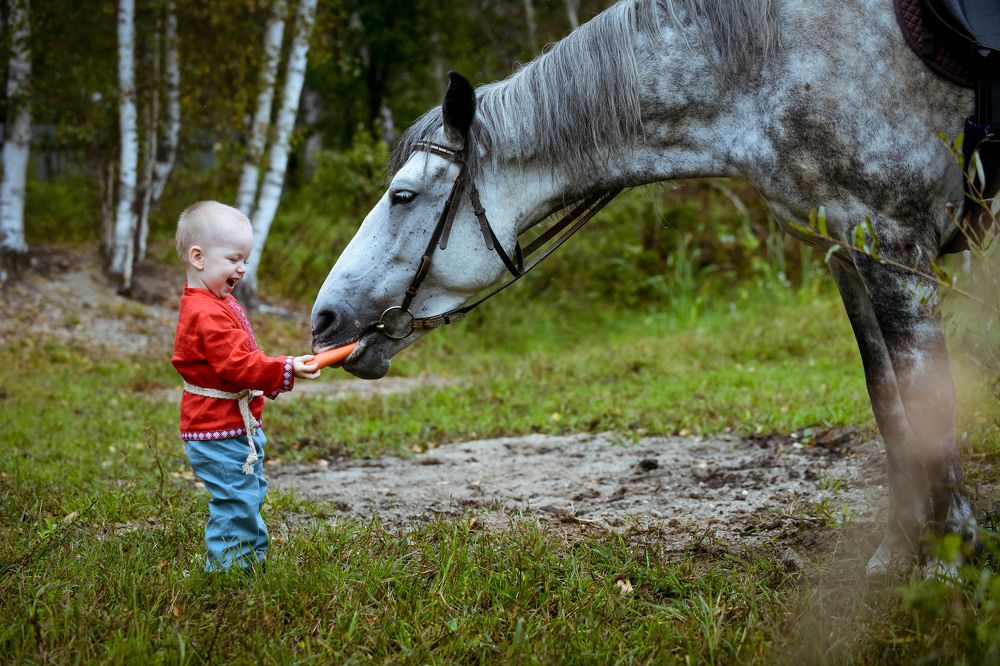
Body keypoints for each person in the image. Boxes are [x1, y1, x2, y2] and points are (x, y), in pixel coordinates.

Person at [171, 200, 320, 574]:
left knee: (247, 495)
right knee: (236, 500)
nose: (242, 268)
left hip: (233, 428)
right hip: (217, 430)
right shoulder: (205, 312)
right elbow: (237, 365)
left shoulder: (215, 300)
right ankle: (229, 575)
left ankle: (247, 562)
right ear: (199, 257)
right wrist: (285, 368)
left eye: (246, 260)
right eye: (234, 259)